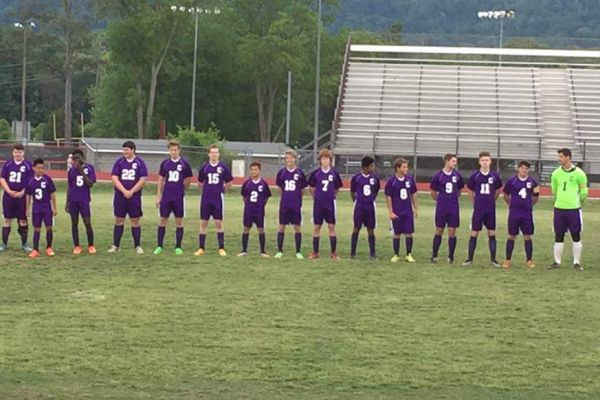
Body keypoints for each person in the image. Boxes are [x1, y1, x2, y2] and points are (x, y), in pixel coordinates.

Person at [547, 148, 588, 271]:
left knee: (576, 235)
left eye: (561, 156)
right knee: (558, 235)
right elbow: (553, 190)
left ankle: (576, 262)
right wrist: (559, 200)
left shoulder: (579, 173)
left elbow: (584, 191)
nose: (559, 159)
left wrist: (577, 201)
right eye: (559, 156)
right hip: (559, 209)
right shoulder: (556, 173)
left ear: (568, 157)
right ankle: (557, 262)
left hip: (574, 209)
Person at [463, 152, 503, 267]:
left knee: (491, 233)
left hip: (490, 209)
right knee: (474, 233)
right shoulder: (475, 176)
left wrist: (491, 201)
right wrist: (475, 203)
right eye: (483, 160)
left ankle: (493, 259)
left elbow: (497, 190)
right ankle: (469, 259)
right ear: (479, 162)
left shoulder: (494, 176)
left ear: (490, 161)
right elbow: (470, 191)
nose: (485, 162)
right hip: (478, 210)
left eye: (487, 160)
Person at [154, 140, 193, 255]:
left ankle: (178, 246)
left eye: (175, 150)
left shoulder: (184, 164)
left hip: (178, 197)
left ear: (179, 150)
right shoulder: (165, 164)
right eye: (171, 150)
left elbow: (188, 179)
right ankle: (159, 246)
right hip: (166, 196)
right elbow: (160, 179)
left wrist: (181, 190)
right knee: (162, 220)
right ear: (169, 151)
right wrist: (158, 195)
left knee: (179, 221)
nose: (173, 152)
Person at [109, 141, 148, 254]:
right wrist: (124, 190)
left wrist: (131, 191)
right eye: (123, 149)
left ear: (133, 150)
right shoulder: (119, 162)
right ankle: (116, 245)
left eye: (127, 149)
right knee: (119, 220)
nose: (124, 152)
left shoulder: (140, 163)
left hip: (134, 197)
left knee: (135, 220)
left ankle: (137, 245)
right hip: (120, 196)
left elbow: (143, 179)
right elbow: (114, 177)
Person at [196, 144, 233, 256]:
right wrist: (205, 190)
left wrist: (222, 191)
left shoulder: (223, 167)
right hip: (206, 198)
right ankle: (201, 248)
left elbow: (229, 182)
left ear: (219, 154)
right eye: (212, 152)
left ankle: (221, 248)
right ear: (208, 154)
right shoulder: (205, 167)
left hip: (217, 198)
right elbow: (199, 181)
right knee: (203, 222)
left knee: (218, 222)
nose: (214, 154)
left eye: (216, 152)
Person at [501, 161, 539, 269]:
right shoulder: (512, 181)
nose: (524, 170)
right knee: (511, 235)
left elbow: (536, 196)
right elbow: (505, 195)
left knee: (527, 236)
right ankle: (507, 260)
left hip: (527, 213)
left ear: (529, 170)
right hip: (514, 213)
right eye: (522, 168)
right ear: (518, 169)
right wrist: (511, 204)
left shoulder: (533, 182)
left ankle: (529, 260)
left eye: (526, 168)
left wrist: (530, 205)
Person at [307, 149, 343, 260]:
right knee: (317, 227)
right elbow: (311, 187)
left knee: (331, 226)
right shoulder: (316, 173)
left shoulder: (334, 174)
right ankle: (315, 252)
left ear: (330, 160)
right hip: (318, 203)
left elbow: (337, 188)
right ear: (320, 160)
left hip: (329, 203)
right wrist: (316, 197)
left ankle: (333, 253)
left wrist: (331, 196)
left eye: (327, 158)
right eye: (323, 158)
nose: (325, 161)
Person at [430, 153, 464, 264]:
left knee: (452, 231)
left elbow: (459, 190)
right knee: (439, 230)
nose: (455, 163)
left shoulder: (457, 176)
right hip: (441, 207)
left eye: (455, 161)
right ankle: (434, 255)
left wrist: (452, 199)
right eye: (453, 161)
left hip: (453, 207)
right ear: (447, 161)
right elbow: (433, 192)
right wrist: (441, 201)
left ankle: (451, 256)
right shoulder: (438, 176)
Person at [0, 144, 33, 251]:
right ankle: (4, 244)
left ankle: (24, 244)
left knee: (22, 220)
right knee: (7, 219)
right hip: (9, 197)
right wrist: (9, 191)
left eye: (19, 152)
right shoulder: (8, 164)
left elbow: (31, 181)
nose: (17, 154)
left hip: (22, 198)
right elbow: (2, 179)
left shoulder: (28, 165)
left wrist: (23, 192)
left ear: (23, 153)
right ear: (12, 153)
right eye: (15, 152)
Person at [274, 150, 307, 259]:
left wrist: (296, 198)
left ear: (295, 159)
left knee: (297, 227)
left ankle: (298, 251)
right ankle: (279, 251)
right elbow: (279, 188)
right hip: (284, 204)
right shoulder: (282, 173)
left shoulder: (300, 173)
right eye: (287, 158)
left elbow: (302, 189)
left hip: (296, 204)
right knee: (281, 227)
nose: (289, 160)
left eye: (291, 158)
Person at [385, 158, 418, 263]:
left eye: (407, 166)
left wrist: (415, 208)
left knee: (409, 233)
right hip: (397, 211)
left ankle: (408, 254)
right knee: (397, 233)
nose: (406, 169)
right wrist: (391, 212)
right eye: (404, 167)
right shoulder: (391, 182)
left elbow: (413, 194)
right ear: (397, 168)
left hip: (407, 211)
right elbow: (388, 197)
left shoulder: (409, 180)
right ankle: (396, 254)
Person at [237, 162, 272, 257]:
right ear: (250, 171)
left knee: (261, 229)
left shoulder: (263, 184)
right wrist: (248, 205)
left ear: (259, 171)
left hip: (259, 211)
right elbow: (244, 197)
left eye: (256, 169)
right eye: (252, 170)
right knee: (246, 229)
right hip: (248, 210)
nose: (254, 171)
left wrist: (261, 205)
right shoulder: (247, 183)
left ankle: (263, 251)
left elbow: (266, 197)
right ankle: (244, 250)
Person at [66, 149, 97, 255]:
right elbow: (69, 186)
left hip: (84, 199)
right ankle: (76, 246)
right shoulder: (71, 170)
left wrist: (82, 171)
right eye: (74, 158)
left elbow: (90, 184)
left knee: (87, 223)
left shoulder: (89, 168)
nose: (76, 161)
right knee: (74, 223)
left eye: (78, 158)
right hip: (73, 200)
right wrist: (67, 202)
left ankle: (91, 245)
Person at [25, 158, 57, 258]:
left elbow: (52, 194)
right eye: (38, 168)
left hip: (46, 206)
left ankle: (49, 247)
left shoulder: (47, 179)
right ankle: (35, 249)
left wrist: (54, 208)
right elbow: (28, 195)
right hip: (36, 207)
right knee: (36, 228)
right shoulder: (30, 181)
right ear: (34, 168)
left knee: (49, 227)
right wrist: (27, 208)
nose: (40, 170)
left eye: (42, 168)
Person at [349, 156, 380, 259]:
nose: (373, 168)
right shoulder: (356, 178)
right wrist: (356, 201)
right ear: (365, 167)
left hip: (370, 205)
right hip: (360, 205)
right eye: (371, 166)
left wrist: (371, 199)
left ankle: (372, 253)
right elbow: (352, 192)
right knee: (356, 228)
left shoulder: (375, 178)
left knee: (370, 229)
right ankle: (352, 253)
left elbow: (375, 191)